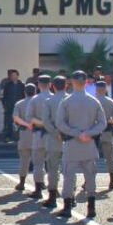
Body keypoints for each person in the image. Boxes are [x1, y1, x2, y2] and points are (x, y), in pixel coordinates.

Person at [55, 71, 107, 218]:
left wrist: (76, 133)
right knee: (90, 176)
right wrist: (88, 133)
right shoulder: (94, 101)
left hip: (72, 143)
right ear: (86, 82)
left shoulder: (66, 101)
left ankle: (67, 208)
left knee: (69, 176)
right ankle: (91, 207)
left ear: (71, 81)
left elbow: (60, 123)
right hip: (89, 144)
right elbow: (102, 123)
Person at [39, 76, 68, 209]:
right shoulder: (70, 99)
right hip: (70, 138)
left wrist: (55, 132)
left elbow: (46, 121)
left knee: (52, 168)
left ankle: (52, 196)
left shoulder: (49, 101)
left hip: (53, 137)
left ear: (53, 86)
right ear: (66, 85)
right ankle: (70, 197)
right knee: (69, 169)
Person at [26, 75, 51, 200]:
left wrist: (41, 123)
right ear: (50, 84)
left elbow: (29, 117)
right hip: (53, 134)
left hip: (39, 134)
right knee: (53, 164)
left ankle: (38, 189)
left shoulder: (35, 99)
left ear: (39, 85)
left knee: (38, 163)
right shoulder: (55, 98)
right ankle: (53, 189)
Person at [95, 81, 113, 191]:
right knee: (110, 157)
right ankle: (112, 181)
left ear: (96, 89)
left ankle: (89, 181)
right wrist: (108, 121)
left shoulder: (92, 100)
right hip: (107, 132)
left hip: (93, 133)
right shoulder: (111, 102)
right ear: (105, 89)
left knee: (91, 158)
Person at [11, 83, 38, 192]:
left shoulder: (20, 103)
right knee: (39, 161)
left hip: (24, 133)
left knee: (24, 160)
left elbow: (15, 117)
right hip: (38, 134)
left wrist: (26, 124)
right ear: (35, 91)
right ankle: (39, 185)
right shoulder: (40, 103)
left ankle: (22, 183)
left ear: (25, 92)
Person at [1, 70, 24, 141]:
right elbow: (4, 96)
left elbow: (24, 97)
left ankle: (18, 137)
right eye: (12, 76)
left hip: (19, 107)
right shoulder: (7, 85)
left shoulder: (22, 85)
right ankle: (8, 137)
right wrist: (4, 105)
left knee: (19, 122)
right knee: (8, 122)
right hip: (9, 106)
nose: (13, 77)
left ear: (17, 76)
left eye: (14, 75)